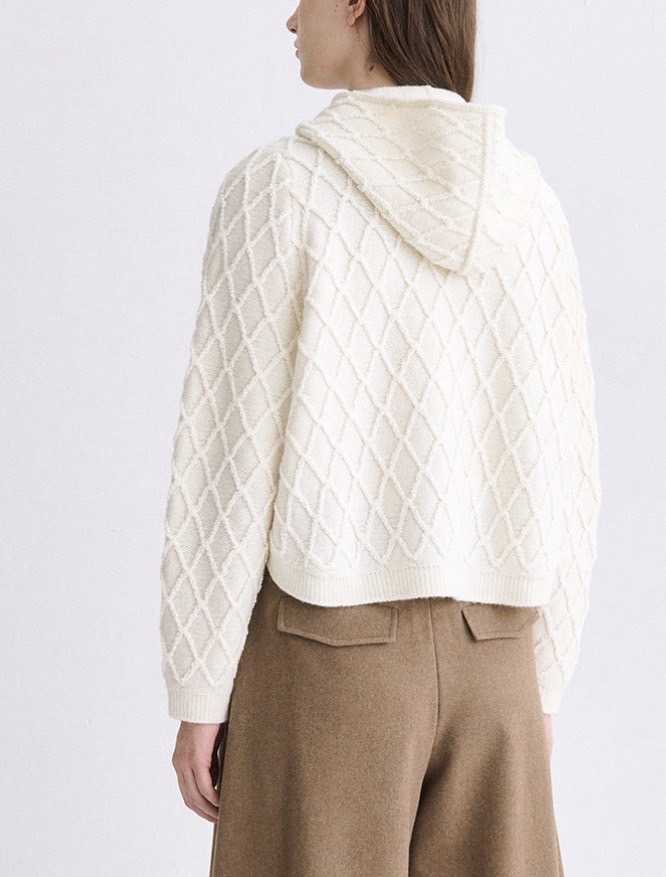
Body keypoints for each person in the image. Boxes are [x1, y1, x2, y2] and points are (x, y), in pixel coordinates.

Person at [159, 0, 602, 874]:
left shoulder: (279, 188)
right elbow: (570, 460)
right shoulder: (530, 204)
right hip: (497, 661)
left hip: (327, 658)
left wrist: (200, 684)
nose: (291, 19)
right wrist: (543, 679)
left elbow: (228, 454)